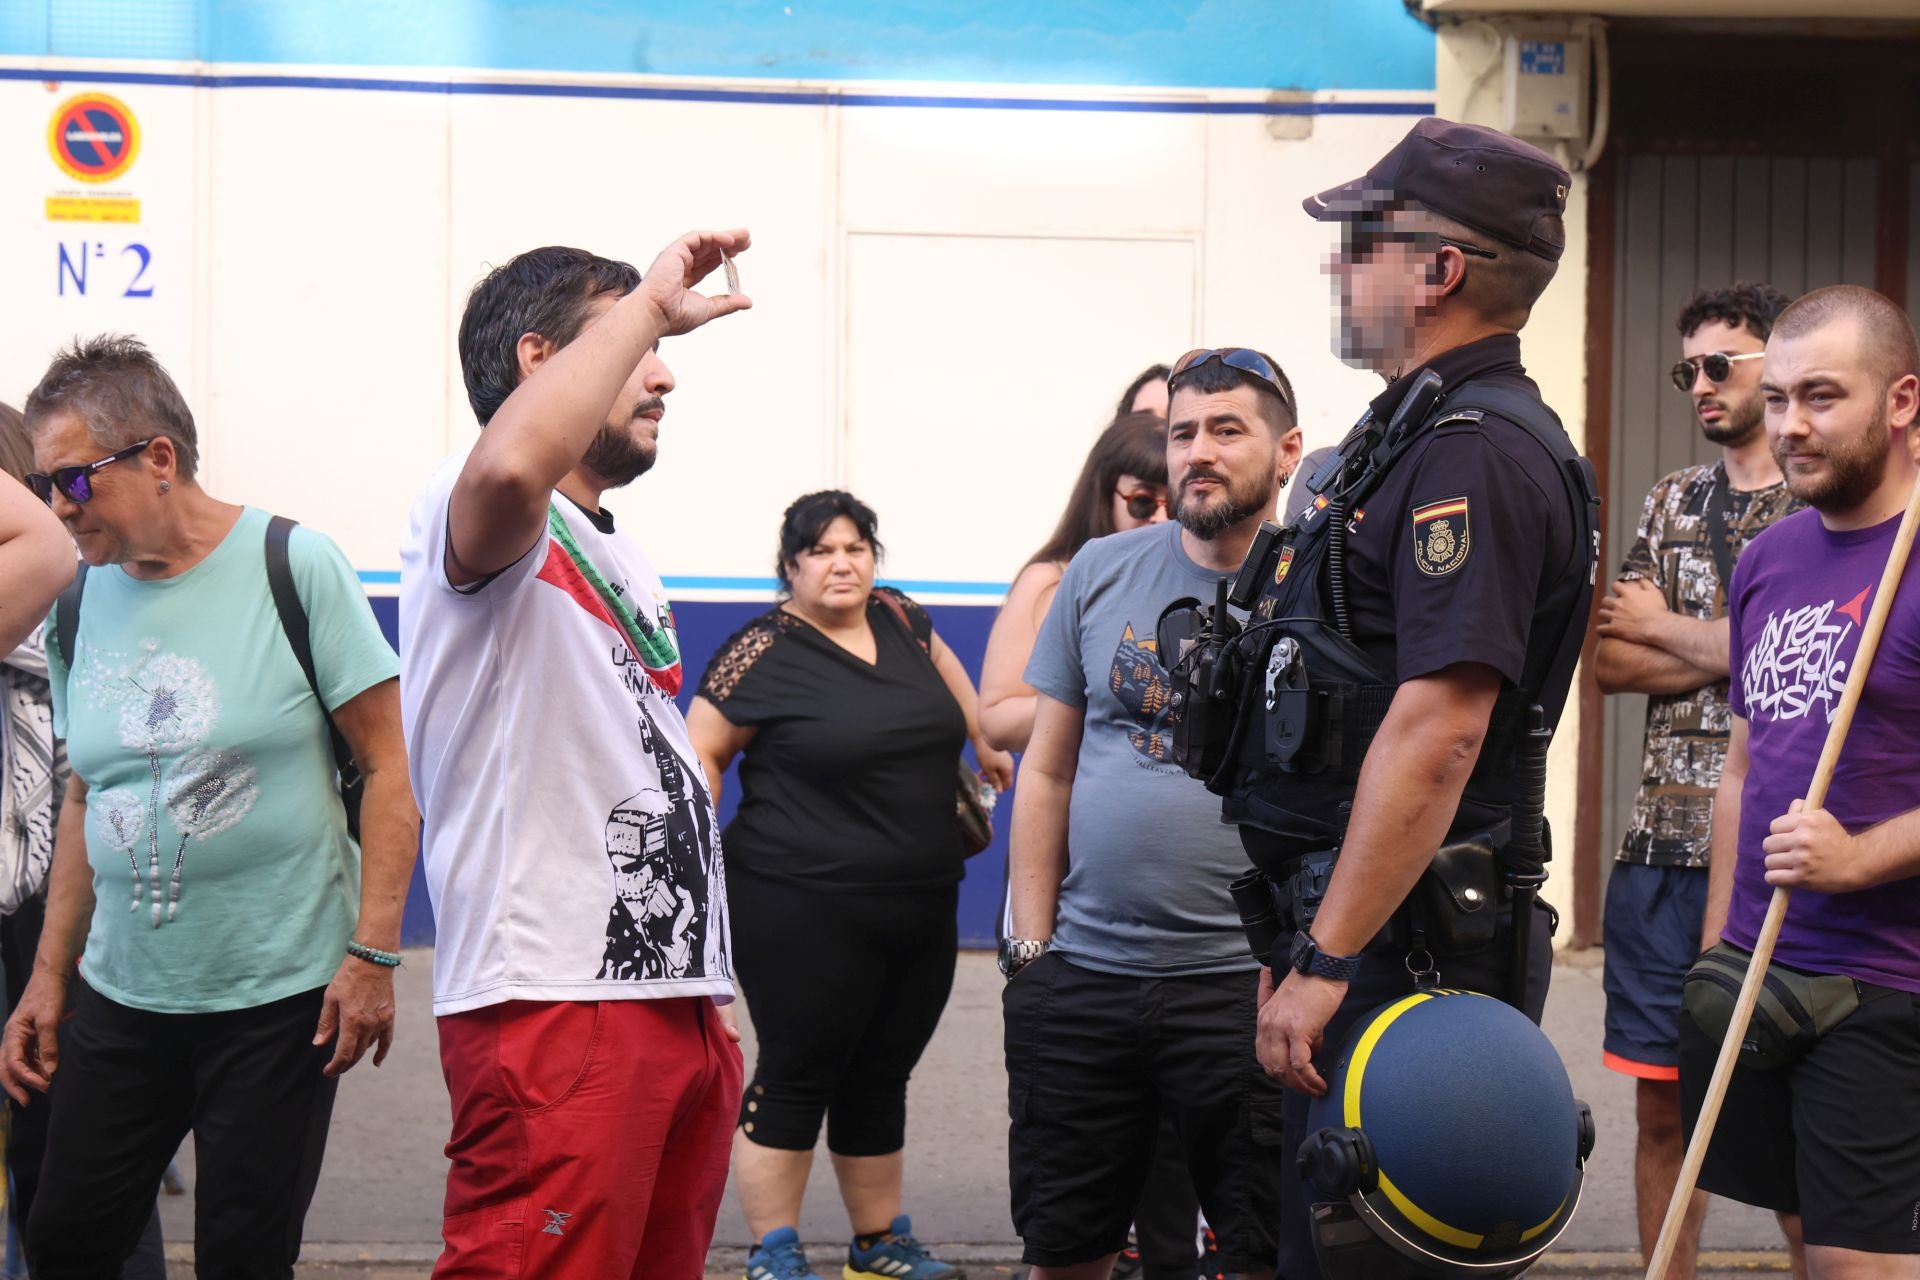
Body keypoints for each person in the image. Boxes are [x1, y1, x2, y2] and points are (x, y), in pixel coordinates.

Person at [1215, 119, 1597, 1280]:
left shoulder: (1474, 452)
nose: (1342, 264)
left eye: (1363, 240)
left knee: (1367, 1254)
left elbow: (1441, 728)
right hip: (1363, 921)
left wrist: (1329, 956)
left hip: (1410, 946)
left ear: (1440, 270)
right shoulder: (1414, 430)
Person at [0, 336, 417, 1279]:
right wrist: (49, 978)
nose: (58, 508)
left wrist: (373, 955)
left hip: (277, 1004)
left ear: (158, 459)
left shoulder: (293, 565)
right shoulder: (75, 601)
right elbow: (82, 793)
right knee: (68, 1235)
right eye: (43, 488)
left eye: (72, 481)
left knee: (242, 1252)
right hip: (122, 995)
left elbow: (389, 768)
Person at [399, 235, 749, 1279]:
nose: (665, 369)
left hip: (671, 997)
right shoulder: (480, 506)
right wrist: (651, 296)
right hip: (553, 999)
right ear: (539, 361)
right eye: (635, 343)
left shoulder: (618, 552)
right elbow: (512, 460)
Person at [1001, 347, 1303, 1280]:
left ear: (1288, 451)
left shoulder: (1323, 588)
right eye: (1182, 434)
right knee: (1067, 1249)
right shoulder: (1097, 570)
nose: (1197, 453)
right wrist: (1034, 954)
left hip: (1246, 990)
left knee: (1262, 1253)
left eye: (1226, 430)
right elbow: (1046, 771)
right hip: (1085, 981)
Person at [686, 490, 1013, 1280]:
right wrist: (695, 883)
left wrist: (988, 747)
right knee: (799, 1068)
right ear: (791, 567)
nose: (842, 563)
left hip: (920, 899)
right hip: (797, 905)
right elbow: (701, 757)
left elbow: (964, 699)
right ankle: (775, 1249)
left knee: (880, 1071)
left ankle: (878, 1243)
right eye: (821, 551)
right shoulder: (759, 648)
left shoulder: (903, 619)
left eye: (856, 548)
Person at [1686, 284, 1920, 1280]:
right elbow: (1743, 764)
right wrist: (1717, 949)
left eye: (1821, 396)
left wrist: (1864, 852)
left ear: (1902, 400)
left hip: (1886, 984)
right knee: (1799, 1239)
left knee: (1856, 1266)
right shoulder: (1772, 555)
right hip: (1762, 966)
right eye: (1776, 398)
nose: (1791, 426)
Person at [1593, 283, 1801, 1280]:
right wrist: (1739, 648)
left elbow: (1824, 654)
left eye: (1724, 364)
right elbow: (1608, 661)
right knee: (1660, 1101)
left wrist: (1672, 631)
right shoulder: (1673, 497)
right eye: (1690, 370)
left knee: (1792, 1103)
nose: (1702, 385)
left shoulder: (1818, 497)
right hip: (1658, 850)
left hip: (1781, 841)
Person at [0, 403, 165, 1280]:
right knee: (73, 1146)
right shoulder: (77, 585)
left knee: (72, 1148)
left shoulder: (64, 584)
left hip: (50, 893)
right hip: (72, 885)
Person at [979, 411, 1169, 753]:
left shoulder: (1187, 582)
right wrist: (1097, 697)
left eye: (1174, 504)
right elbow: (997, 720)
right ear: (1104, 495)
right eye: (1142, 501)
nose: (1160, 516)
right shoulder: (1050, 581)